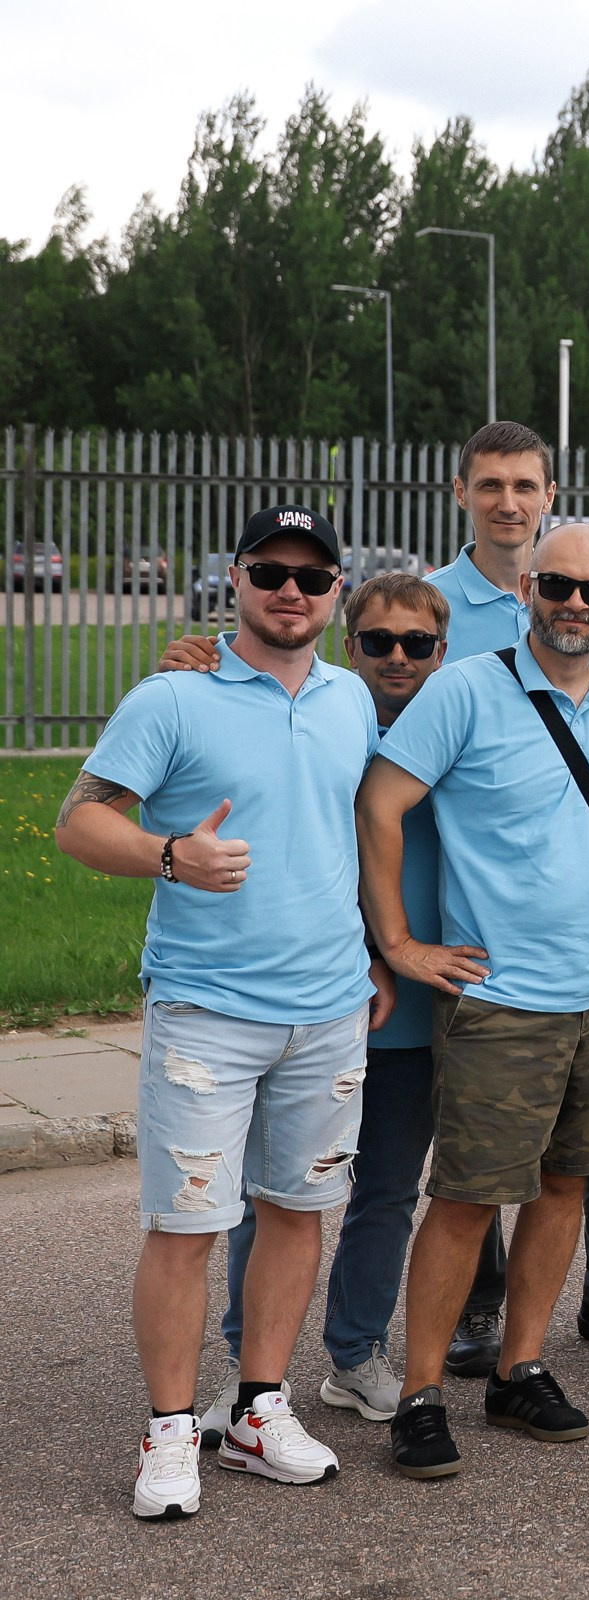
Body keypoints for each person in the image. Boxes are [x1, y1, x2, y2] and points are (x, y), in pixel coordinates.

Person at [57, 505, 379, 1520]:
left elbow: (352, 831)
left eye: (313, 575)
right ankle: (168, 1429)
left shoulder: (351, 701)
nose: (293, 589)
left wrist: (374, 953)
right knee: (188, 1223)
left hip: (328, 1006)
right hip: (209, 1010)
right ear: (235, 577)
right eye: (272, 570)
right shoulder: (173, 698)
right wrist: (169, 854)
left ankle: (256, 1409)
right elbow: (77, 819)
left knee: (296, 1210)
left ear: (336, 591)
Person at [360, 523, 589, 1480]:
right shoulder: (465, 689)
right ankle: (419, 1394)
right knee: (463, 1200)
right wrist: (399, 945)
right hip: (505, 1003)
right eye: (561, 586)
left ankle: (518, 1369)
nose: (577, 605)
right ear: (530, 586)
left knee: (570, 1183)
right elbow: (381, 802)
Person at [426, 421, 589, 1375]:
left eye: (524, 484)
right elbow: (343, 674)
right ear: (463, 493)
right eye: (489, 483)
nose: (507, 500)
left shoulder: (587, 618)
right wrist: (206, 654)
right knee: (481, 1142)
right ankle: (474, 1315)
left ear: (547, 493)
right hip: (472, 905)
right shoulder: (436, 605)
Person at [202, 574, 455, 1443]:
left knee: (385, 1191)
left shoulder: (461, 725)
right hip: (314, 994)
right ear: (351, 645)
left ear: (441, 653)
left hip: (413, 1006)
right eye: (378, 641)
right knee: (268, 1199)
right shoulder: (329, 716)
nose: (397, 658)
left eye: (416, 644)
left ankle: (354, 1355)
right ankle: (248, 1372)